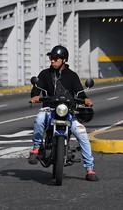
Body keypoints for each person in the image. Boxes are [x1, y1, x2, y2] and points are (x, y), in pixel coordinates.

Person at [28, 45, 98, 181]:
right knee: (39, 119)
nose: (52, 61)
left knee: (82, 134)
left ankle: (90, 169)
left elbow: (80, 92)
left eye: (55, 58)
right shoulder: (44, 74)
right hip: (50, 109)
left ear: (64, 60)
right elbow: (36, 90)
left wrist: (86, 99)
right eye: (51, 58)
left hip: (68, 111)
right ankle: (36, 149)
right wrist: (35, 96)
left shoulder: (72, 76)